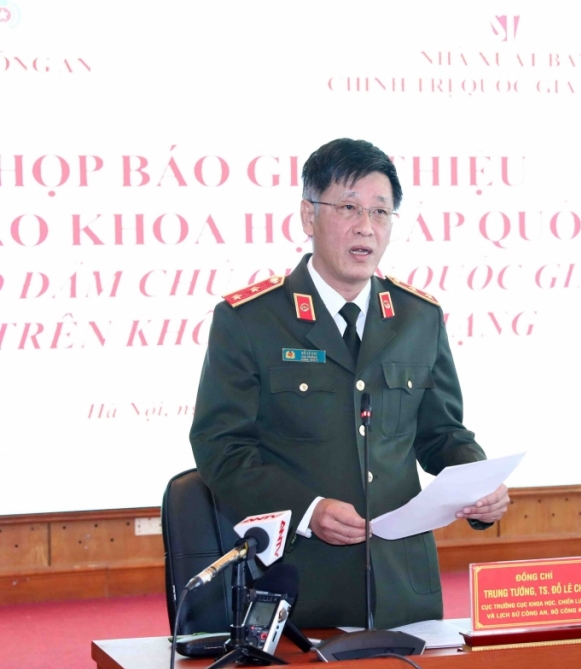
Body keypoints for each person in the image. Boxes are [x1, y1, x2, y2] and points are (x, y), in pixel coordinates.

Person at [190, 138, 509, 628]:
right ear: (308, 216)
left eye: (381, 212)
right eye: (348, 208)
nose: (366, 227)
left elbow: (441, 434)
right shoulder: (252, 319)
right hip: (299, 588)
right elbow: (222, 447)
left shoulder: (418, 317)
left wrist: (478, 482)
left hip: (405, 590)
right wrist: (308, 510)